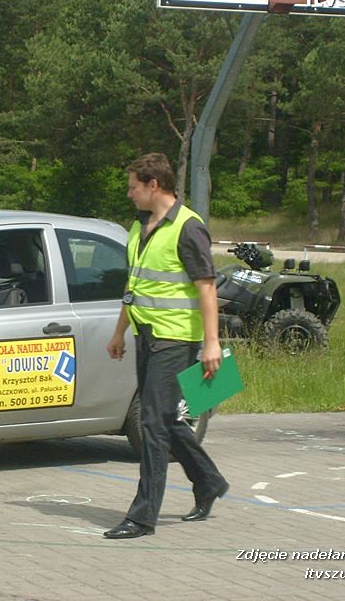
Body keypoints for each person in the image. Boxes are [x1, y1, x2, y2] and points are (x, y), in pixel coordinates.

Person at [103, 153, 229, 540]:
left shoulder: (189, 228)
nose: (129, 194)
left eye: (133, 187)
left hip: (176, 338)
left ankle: (142, 517)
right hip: (146, 334)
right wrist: (119, 331)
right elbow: (135, 286)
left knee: (152, 422)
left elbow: (206, 286)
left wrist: (212, 344)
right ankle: (208, 481)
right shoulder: (139, 226)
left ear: (154, 185)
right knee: (167, 418)